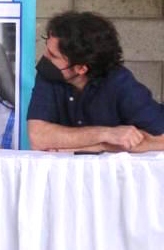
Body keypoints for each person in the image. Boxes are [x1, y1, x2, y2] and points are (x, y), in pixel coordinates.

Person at [27, 11, 164, 152]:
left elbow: (161, 139)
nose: (44, 56)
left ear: (81, 69)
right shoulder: (49, 75)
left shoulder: (120, 83)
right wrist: (106, 135)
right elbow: (37, 137)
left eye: (53, 55)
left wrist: (93, 147)